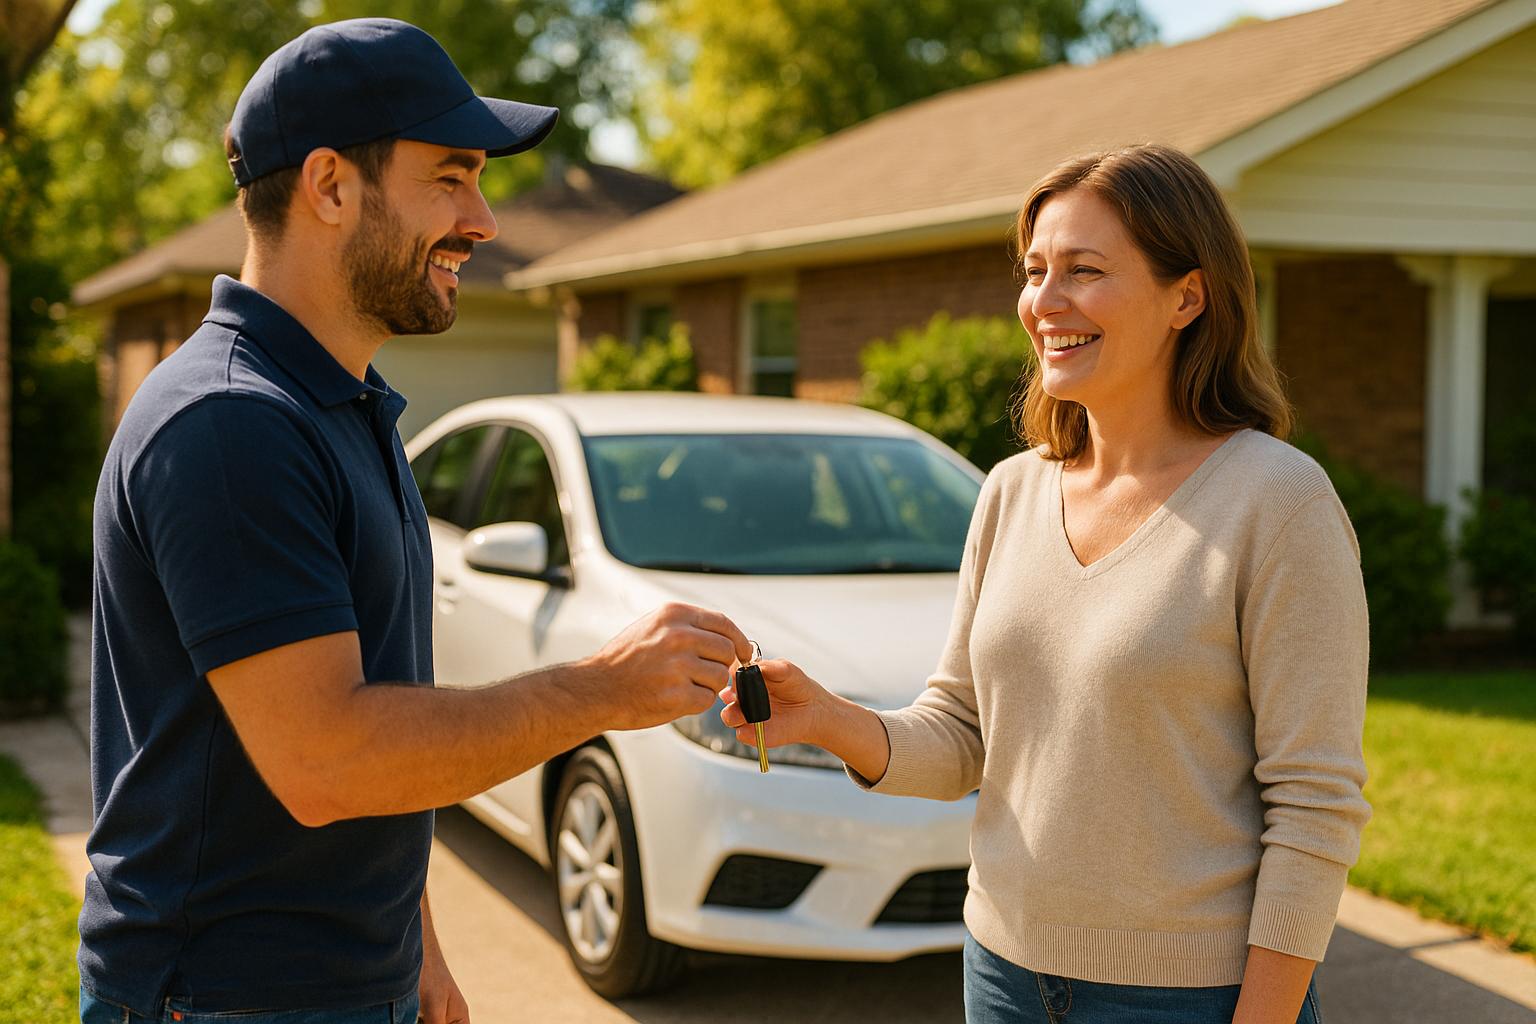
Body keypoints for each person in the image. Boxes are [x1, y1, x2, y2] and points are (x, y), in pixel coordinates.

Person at [81, 19, 752, 1024]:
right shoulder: (228, 424)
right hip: (224, 996)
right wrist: (602, 689)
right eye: (451, 176)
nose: (483, 220)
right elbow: (327, 757)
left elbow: (382, 707)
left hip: (352, 983)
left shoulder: (346, 405)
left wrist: (415, 941)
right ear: (331, 187)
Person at [722, 143, 1370, 1024]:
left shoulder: (1279, 501)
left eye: (1084, 271)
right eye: (1035, 272)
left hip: (1188, 1000)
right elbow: (963, 736)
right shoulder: (1012, 491)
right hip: (1001, 973)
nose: (1044, 303)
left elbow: (1314, 807)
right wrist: (829, 719)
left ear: (1189, 296)